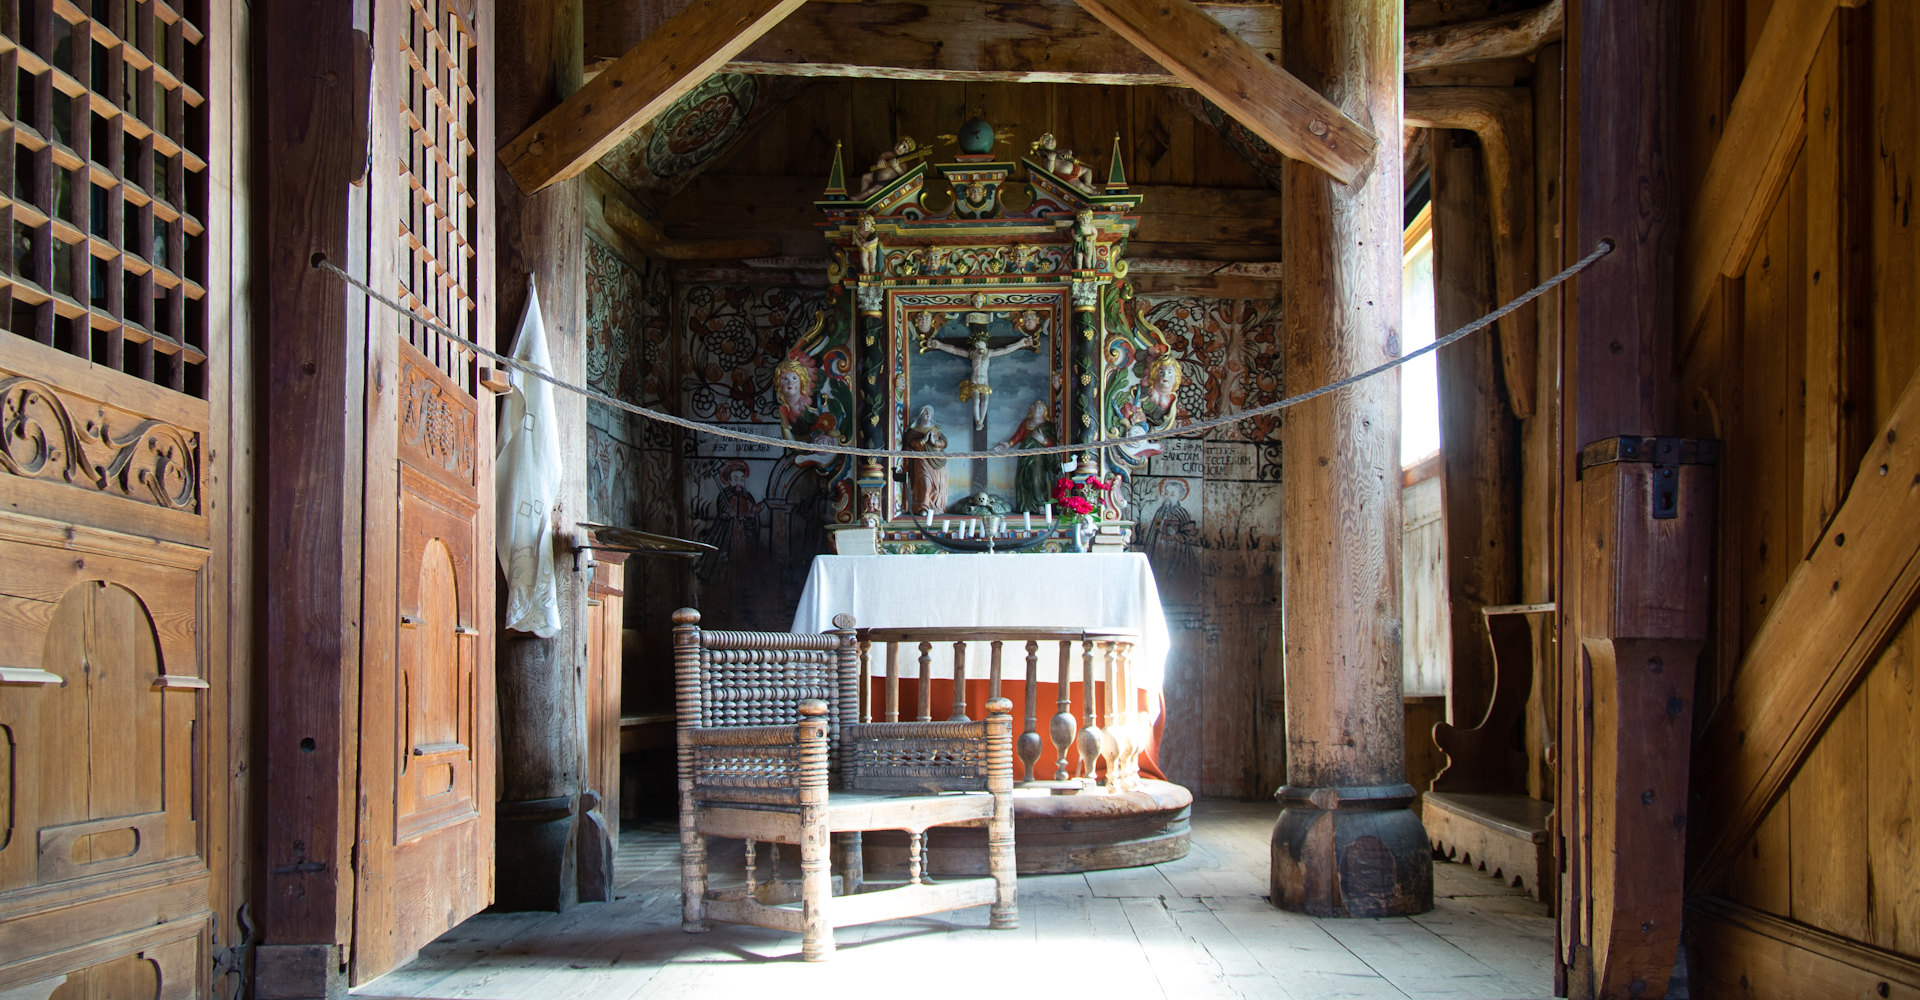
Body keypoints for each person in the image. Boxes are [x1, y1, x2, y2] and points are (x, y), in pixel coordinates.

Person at [922, 304, 1037, 431]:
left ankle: (981, 421)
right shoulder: (973, 354)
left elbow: (1005, 350)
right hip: (975, 381)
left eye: (981, 346)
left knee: (985, 401)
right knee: (976, 400)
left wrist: (1020, 344)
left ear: (985, 344)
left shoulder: (989, 353)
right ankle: (978, 421)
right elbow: (954, 350)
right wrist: (939, 345)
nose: (979, 348)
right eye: (977, 346)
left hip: (985, 382)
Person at [995, 399, 1061, 514]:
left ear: (1044, 411)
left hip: (1038, 458)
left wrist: (1044, 440)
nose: (1036, 410)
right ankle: (1025, 506)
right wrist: (1007, 445)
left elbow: (1054, 444)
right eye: (1034, 407)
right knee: (1023, 480)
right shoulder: (1026, 423)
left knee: (1037, 480)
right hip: (1024, 457)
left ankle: (1040, 504)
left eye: (1040, 408)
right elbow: (1017, 437)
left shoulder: (1048, 426)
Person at [903, 405, 949, 514]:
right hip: (921, 461)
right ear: (920, 414)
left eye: (930, 412)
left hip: (937, 462)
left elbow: (944, 443)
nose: (928, 414)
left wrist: (934, 442)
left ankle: (934, 507)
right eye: (925, 412)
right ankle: (923, 507)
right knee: (925, 483)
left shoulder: (936, 429)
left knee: (936, 487)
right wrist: (923, 440)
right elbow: (909, 443)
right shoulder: (914, 430)